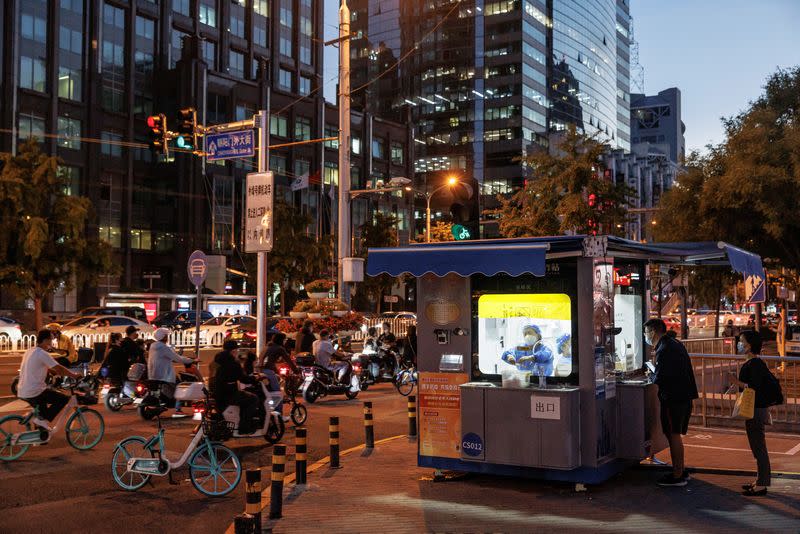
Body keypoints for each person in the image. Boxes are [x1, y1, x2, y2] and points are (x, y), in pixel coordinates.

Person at [645, 318, 698, 487]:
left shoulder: (665, 349)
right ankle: (680, 470)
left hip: (673, 398)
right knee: (675, 434)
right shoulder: (674, 343)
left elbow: (661, 377)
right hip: (683, 397)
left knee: (673, 435)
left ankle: (677, 475)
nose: (646, 336)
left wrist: (650, 375)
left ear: (653, 331)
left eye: (646, 332)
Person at [729, 330, 774, 496]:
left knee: (759, 447)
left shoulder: (754, 364)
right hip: (755, 409)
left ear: (749, 345)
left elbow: (752, 387)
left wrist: (735, 382)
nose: (739, 344)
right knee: (757, 447)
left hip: (755, 409)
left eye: (741, 341)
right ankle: (759, 480)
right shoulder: (753, 362)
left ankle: (762, 484)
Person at [17, 329, 80, 428]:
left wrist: (52, 372)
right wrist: (74, 375)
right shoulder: (42, 353)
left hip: (22, 390)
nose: (51, 343)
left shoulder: (30, 351)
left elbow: (39, 367)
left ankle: (40, 435)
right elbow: (59, 368)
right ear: (45, 340)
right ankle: (42, 420)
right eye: (51, 340)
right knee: (62, 399)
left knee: (41, 413)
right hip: (35, 391)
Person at [212, 340, 261, 434]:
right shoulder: (233, 363)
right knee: (253, 399)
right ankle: (244, 427)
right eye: (236, 350)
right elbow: (243, 379)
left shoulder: (216, 361)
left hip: (217, 393)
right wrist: (256, 378)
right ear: (233, 351)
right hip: (229, 394)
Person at [147, 327, 197, 418]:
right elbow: (177, 358)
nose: (168, 337)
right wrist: (191, 361)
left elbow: (168, 357)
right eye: (166, 336)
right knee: (180, 387)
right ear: (163, 337)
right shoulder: (163, 347)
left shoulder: (153, 346)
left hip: (153, 375)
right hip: (165, 375)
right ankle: (178, 410)